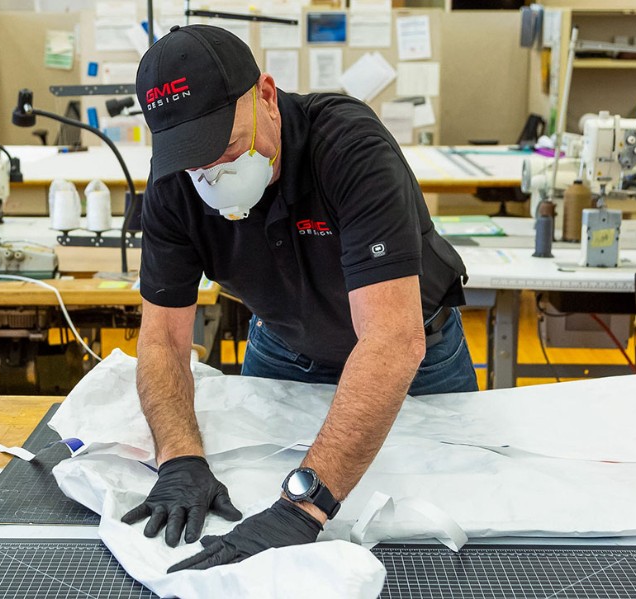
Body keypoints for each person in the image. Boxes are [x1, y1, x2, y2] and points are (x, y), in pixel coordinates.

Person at [126, 24, 476, 572]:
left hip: (416, 360)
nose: (214, 173)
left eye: (227, 146)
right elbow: (163, 339)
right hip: (284, 349)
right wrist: (178, 456)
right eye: (195, 160)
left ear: (266, 96)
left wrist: (301, 507)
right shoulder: (174, 184)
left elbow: (391, 339)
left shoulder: (349, 147)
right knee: (247, 494)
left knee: (444, 513)